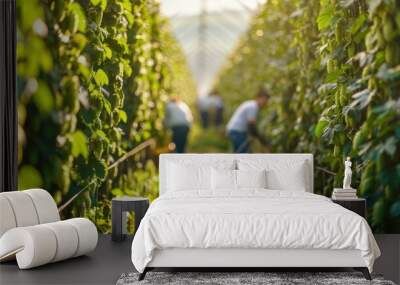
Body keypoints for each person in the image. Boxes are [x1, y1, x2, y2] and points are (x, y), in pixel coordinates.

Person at [226, 88, 269, 153]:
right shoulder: (253, 107)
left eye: (267, 100)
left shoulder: (251, 104)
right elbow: (251, 125)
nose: (265, 102)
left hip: (235, 130)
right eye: (264, 100)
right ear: (258, 98)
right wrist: (262, 140)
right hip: (236, 131)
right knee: (245, 153)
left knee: (238, 152)